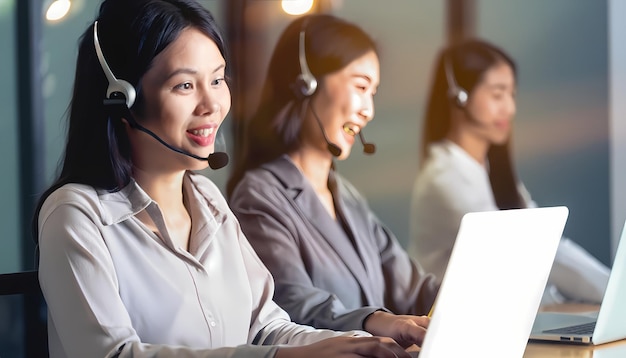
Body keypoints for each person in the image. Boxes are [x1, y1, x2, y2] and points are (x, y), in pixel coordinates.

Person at [33, 1, 418, 357]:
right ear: (122, 99)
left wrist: (362, 345)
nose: (212, 104)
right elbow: (114, 355)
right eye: (185, 85)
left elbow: (266, 327)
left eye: (217, 80)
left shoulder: (208, 199)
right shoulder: (76, 216)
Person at [226, 14, 437, 346]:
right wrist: (376, 320)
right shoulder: (258, 195)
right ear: (305, 83)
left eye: (373, 92)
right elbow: (290, 304)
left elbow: (411, 286)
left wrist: (473, 291)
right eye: (360, 86)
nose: (368, 109)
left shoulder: (346, 195)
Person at [407, 38, 610, 305]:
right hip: (452, 323)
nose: (510, 108)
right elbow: (528, 251)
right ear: (460, 96)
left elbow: (548, 242)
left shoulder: (488, 170)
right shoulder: (444, 178)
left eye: (512, 95)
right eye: (497, 94)